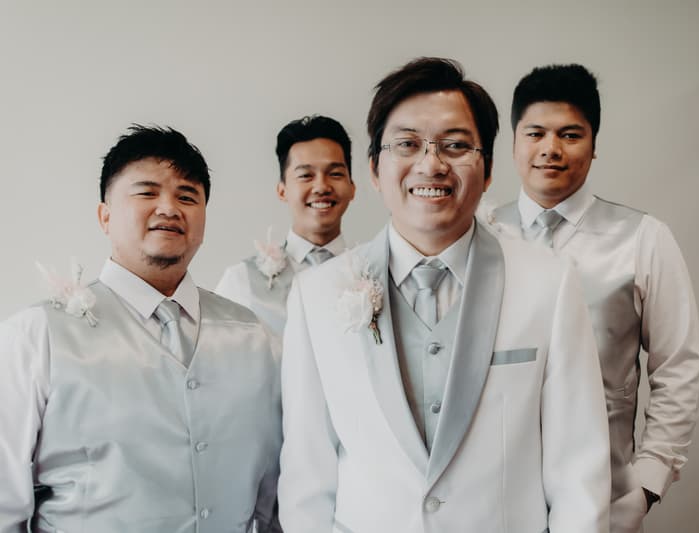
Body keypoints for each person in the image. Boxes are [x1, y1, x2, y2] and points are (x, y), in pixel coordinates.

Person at [278, 57, 611, 533]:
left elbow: (579, 471)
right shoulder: (316, 295)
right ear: (374, 168)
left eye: (455, 145)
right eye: (408, 144)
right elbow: (307, 478)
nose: (431, 164)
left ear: (489, 169)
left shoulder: (550, 283)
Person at [0, 125, 282, 532]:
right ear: (105, 215)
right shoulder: (36, 335)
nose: (169, 208)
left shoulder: (254, 337)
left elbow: (276, 499)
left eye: (187, 196)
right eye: (147, 192)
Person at [491, 64, 699, 533]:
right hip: (492, 501)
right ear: (514, 144)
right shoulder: (482, 234)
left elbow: (678, 365)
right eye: (536, 133)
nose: (551, 149)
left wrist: (647, 483)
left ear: (593, 143)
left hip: (604, 500)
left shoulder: (644, 237)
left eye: (570, 134)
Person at [215, 115, 356, 340]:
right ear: (282, 190)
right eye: (305, 175)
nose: (321, 186)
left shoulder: (374, 272)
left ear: (352, 188)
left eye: (335, 174)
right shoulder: (241, 281)